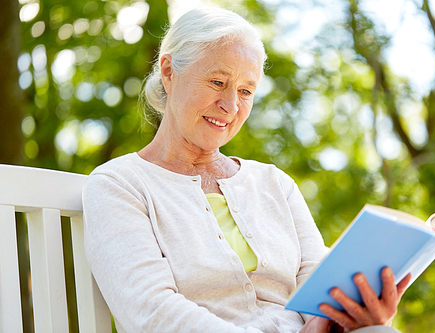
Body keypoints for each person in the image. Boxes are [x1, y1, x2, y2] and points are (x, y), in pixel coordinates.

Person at [82, 7, 411, 333]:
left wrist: (341, 318)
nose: (231, 106)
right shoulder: (119, 186)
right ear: (168, 72)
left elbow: (314, 280)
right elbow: (152, 311)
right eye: (217, 81)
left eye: (245, 91)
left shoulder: (274, 183)